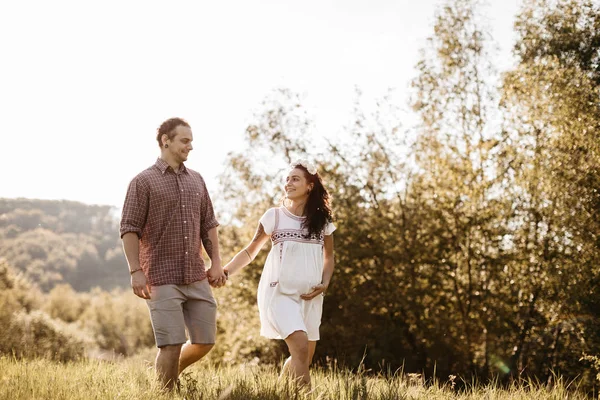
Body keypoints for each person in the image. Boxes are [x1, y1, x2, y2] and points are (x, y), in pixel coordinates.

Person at [120, 117, 227, 390]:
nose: (190, 146)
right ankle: (165, 391)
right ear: (166, 141)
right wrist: (135, 271)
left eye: (191, 141)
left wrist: (216, 263)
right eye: (185, 140)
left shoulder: (197, 180)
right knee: (171, 343)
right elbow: (129, 229)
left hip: (195, 273)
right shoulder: (142, 182)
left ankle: (168, 375)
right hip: (160, 276)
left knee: (205, 340)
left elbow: (209, 225)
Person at [223, 159, 336, 388]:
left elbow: (329, 257)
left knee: (303, 357)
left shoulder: (322, 221)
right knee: (301, 347)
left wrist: (325, 283)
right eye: (287, 179)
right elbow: (250, 252)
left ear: (310, 185)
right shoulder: (274, 216)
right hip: (280, 294)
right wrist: (224, 272)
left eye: (295, 179)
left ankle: (280, 390)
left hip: (312, 297)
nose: (288, 183)